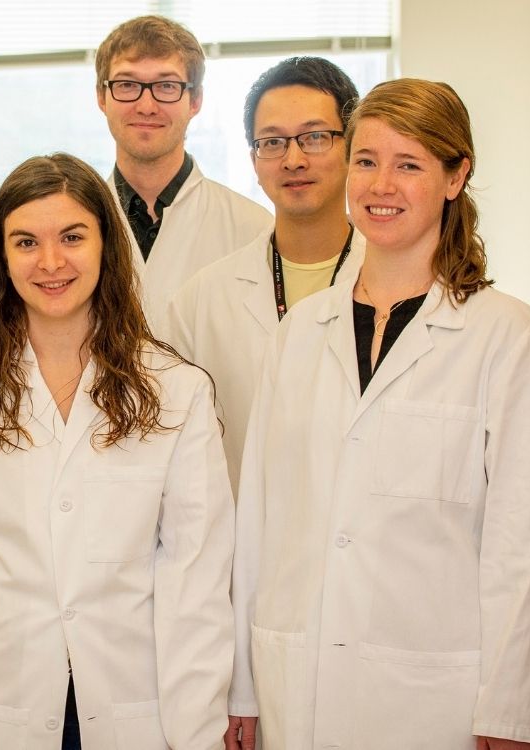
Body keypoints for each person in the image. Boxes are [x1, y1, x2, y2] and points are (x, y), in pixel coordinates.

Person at [227, 79, 530, 750]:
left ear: (456, 176)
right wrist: (243, 684)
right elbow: (259, 523)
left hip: (435, 702)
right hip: (293, 685)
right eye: (366, 161)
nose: (381, 184)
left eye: (409, 164)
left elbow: (527, 547)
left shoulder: (508, 338)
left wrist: (512, 713)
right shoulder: (301, 332)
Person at [0, 153, 234, 750]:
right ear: (0, 256)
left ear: (106, 246)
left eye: (72, 236)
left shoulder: (177, 391)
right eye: (26, 241)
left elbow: (195, 587)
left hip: (136, 708)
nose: (50, 262)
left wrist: (197, 734)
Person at [166, 56, 364, 494]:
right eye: (272, 142)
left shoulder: (401, 284)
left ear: (352, 147)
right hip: (245, 548)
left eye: (314, 137)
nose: (293, 159)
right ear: (254, 160)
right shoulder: (202, 301)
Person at [94, 15, 271, 326]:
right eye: (126, 84)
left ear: (196, 100)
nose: (146, 105)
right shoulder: (73, 226)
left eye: (166, 86)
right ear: (101, 97)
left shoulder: (254, 229)